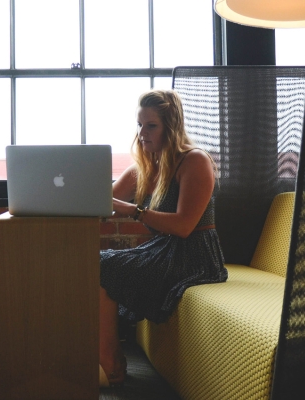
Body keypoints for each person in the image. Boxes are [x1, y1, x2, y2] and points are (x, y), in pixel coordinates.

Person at [98, 89, 227, 387]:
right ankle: (107, 356)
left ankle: (110, 363)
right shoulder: (144, 167)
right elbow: (102, 203)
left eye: (151, 125)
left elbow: (184, 226)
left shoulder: (194, 161)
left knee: (103, 267)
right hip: (162, 250)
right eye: (140, 125)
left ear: (171, 127)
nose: (142, 133)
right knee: (96, 263)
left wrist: (134, 211)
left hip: (194, 255)